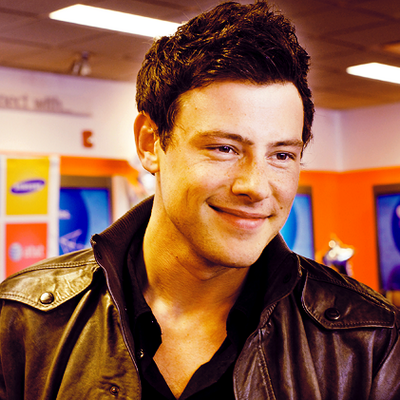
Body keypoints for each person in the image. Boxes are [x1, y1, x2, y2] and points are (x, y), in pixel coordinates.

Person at [0, 1, 399, 399]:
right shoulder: (23, 322)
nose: (256, 186)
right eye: (224, 148)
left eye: (281, 155)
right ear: (150, 143)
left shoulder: (369, 343)